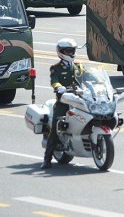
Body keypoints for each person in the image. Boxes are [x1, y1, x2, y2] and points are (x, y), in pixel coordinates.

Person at [41, 39, 84, 169]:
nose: (71, 53)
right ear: (61, 52)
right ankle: (47, 159)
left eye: (73, 51)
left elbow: (88, 78)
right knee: (55, 128)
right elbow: (54, 80)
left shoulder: (79, 66)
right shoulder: (56, 68)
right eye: (68, 51)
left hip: (79, 101)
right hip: (63, 102)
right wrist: (58, 87)